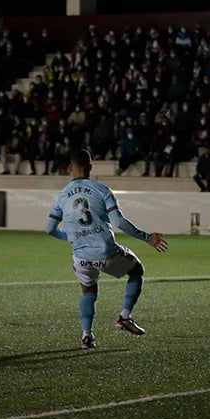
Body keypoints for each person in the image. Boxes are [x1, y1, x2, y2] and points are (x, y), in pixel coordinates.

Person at [46, 148, 169, 350]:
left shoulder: (62, 196)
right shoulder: (102, 190)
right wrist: (146, 237)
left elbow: (50, 229)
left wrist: (71, 238)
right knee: (137, 270)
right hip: (106, 252)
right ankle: (124, 317)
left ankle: (87, 336)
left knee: (88, 292)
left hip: (81, 257)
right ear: (91, 167)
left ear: (70, 168)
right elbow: (119, 222)